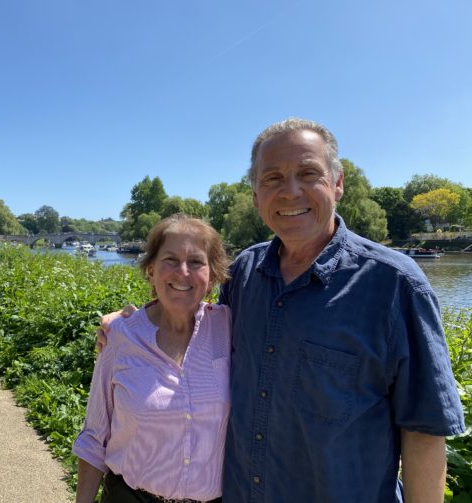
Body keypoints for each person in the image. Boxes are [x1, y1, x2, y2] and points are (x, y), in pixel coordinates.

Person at [100, 118, 465, 502]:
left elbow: (424, 431)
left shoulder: (393, 285)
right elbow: (197, 330)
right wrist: (133, 322)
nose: (290, 192)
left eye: (308, 173)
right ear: (256, 195)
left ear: (338, 184)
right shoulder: (245, 274)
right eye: (272, 178)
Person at [74, 214, 232, 503]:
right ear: (150, 270)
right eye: (170, 259)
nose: (182, 272)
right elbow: (94, 437)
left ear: (211, 277)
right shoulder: (119, 336)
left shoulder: (229, 329)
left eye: (196, 262)